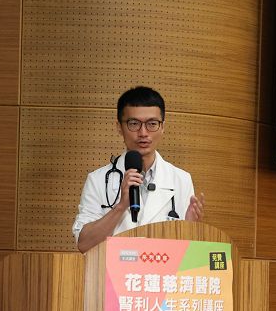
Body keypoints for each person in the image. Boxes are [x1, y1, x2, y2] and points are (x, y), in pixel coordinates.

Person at [72, 86, 205, 253]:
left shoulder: (181, 180)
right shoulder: (97, 180)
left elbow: (187, 254)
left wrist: (191, 228)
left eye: (152, 124)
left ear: (162, 127)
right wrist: (121, 206)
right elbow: (84, 244)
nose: (143, 133)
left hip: (159, 269)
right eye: (134, 124)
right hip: (113, 270)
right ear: (119, 127)